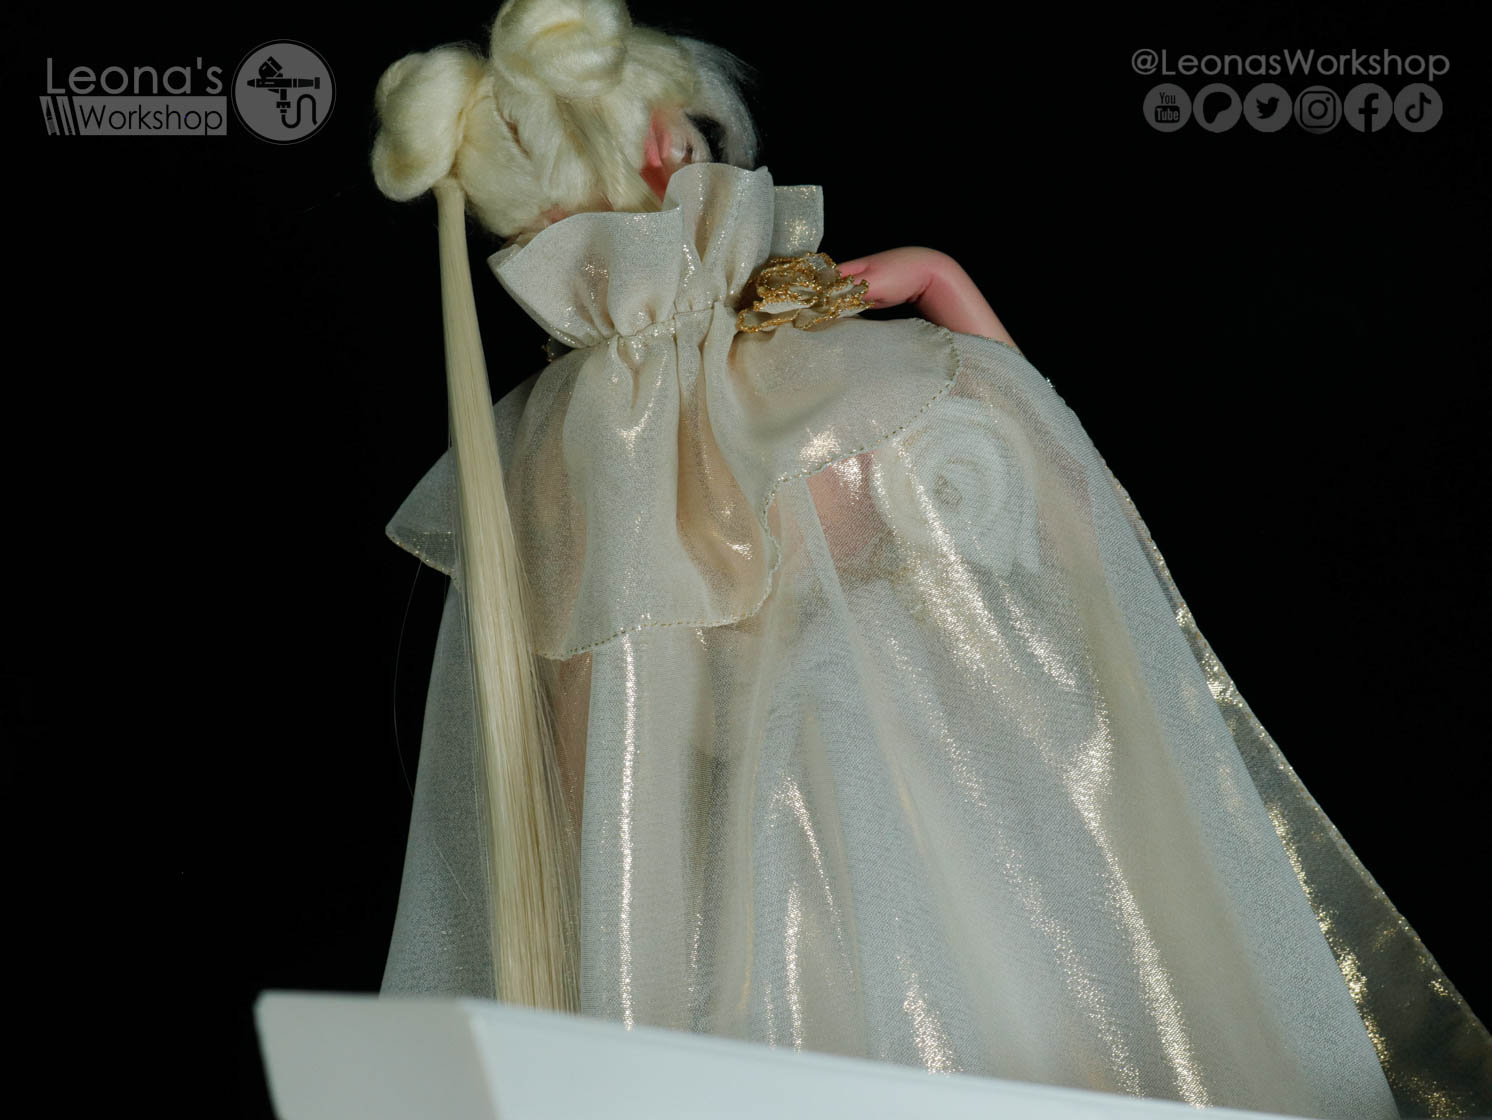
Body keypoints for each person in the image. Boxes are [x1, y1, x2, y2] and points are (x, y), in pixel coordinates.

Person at [370, 2, 1491, 1116]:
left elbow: (583, 775)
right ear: (671, 145)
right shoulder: (822, 386)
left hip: (725, 928)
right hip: (974, 869)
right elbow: (1080, 528)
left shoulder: (555, 457)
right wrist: (949, 291)